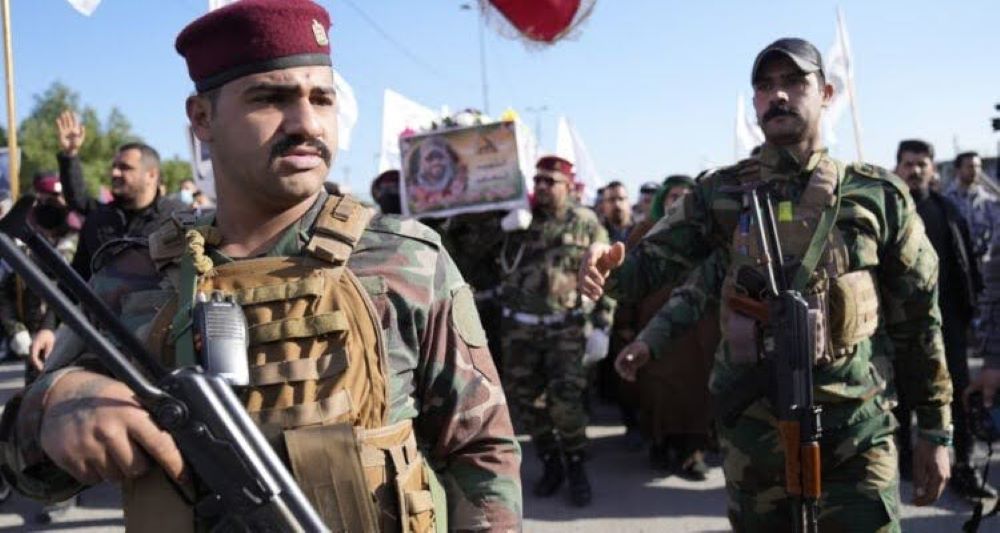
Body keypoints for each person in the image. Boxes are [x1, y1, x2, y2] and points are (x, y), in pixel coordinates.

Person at [0, 1, 522, 531]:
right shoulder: (132, 277)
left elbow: (482, 453)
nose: (307, 123)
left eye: (322, 99)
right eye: (270, 98)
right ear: (202, 118)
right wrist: (57, 406)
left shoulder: (406, 260)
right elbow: (20, 470)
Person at [580, 37, 952, 531]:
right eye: (764, 86)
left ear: (826, 93)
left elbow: (919, 320)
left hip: (857, 430)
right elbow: (642, 272)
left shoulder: (877, 194)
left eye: (794, 82)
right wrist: (606, 267)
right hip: (755, 433)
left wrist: (935, 430)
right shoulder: (720, 194)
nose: (778, 95)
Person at [500, 155, 614, 507]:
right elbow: (477, 254)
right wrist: (504, 227)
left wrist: (602, 326)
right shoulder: (519, 218)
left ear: (568, 185)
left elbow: (606, 273)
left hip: (565, 328)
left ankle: (576, 465)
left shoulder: (585, 222)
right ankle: (551, 462)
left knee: (566, 402)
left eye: (550, 181)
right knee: (527, 403)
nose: (542, 187)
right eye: (538, 180)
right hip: (520, 329)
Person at [894, 139, 993, 500]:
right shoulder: (887, 212)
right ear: (898, 168)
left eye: (922, 164)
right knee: (901, 400)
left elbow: (967, 267)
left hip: (946, 323)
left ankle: (964, 465)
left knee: (958, 397)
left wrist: (968, 317)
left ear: (933, 169)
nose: (915, 170)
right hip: (897, 327)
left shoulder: (947, 211)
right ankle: (906, 463)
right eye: (908, 164)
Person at [0, 174, 80, 522]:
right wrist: (16, 329)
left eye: (54, 201)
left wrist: (53, 330)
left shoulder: (74, 244)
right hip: (32, 344)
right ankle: (19, 478)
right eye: (43, 201)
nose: (49, 207)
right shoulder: (23, 247)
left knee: (63, 414)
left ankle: (63, 493)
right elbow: (6, 295)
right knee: (27, 416)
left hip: (70, 341)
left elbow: (70, 293)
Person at [55, 110, 185, 280]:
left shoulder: (177, 218)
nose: (115, 173)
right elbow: (77, 199)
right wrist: (70, 155)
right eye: (114, 167)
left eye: (125, 167)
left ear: (151, 175)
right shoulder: (99, 219)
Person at [945, 151, 1000, 265]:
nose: (975, 170)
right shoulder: (947, 200)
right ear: (958, 170)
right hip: (957, 262)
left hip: (985, 262)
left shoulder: (988, 199)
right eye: (970, 167)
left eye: (978, 166)